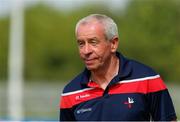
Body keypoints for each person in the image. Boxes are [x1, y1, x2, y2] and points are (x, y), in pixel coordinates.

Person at [59, 14, 177, 121]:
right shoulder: (70, 92)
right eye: (81, 43)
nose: (86, 51)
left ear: (113, 44)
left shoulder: (147, 79)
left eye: (93, 42)